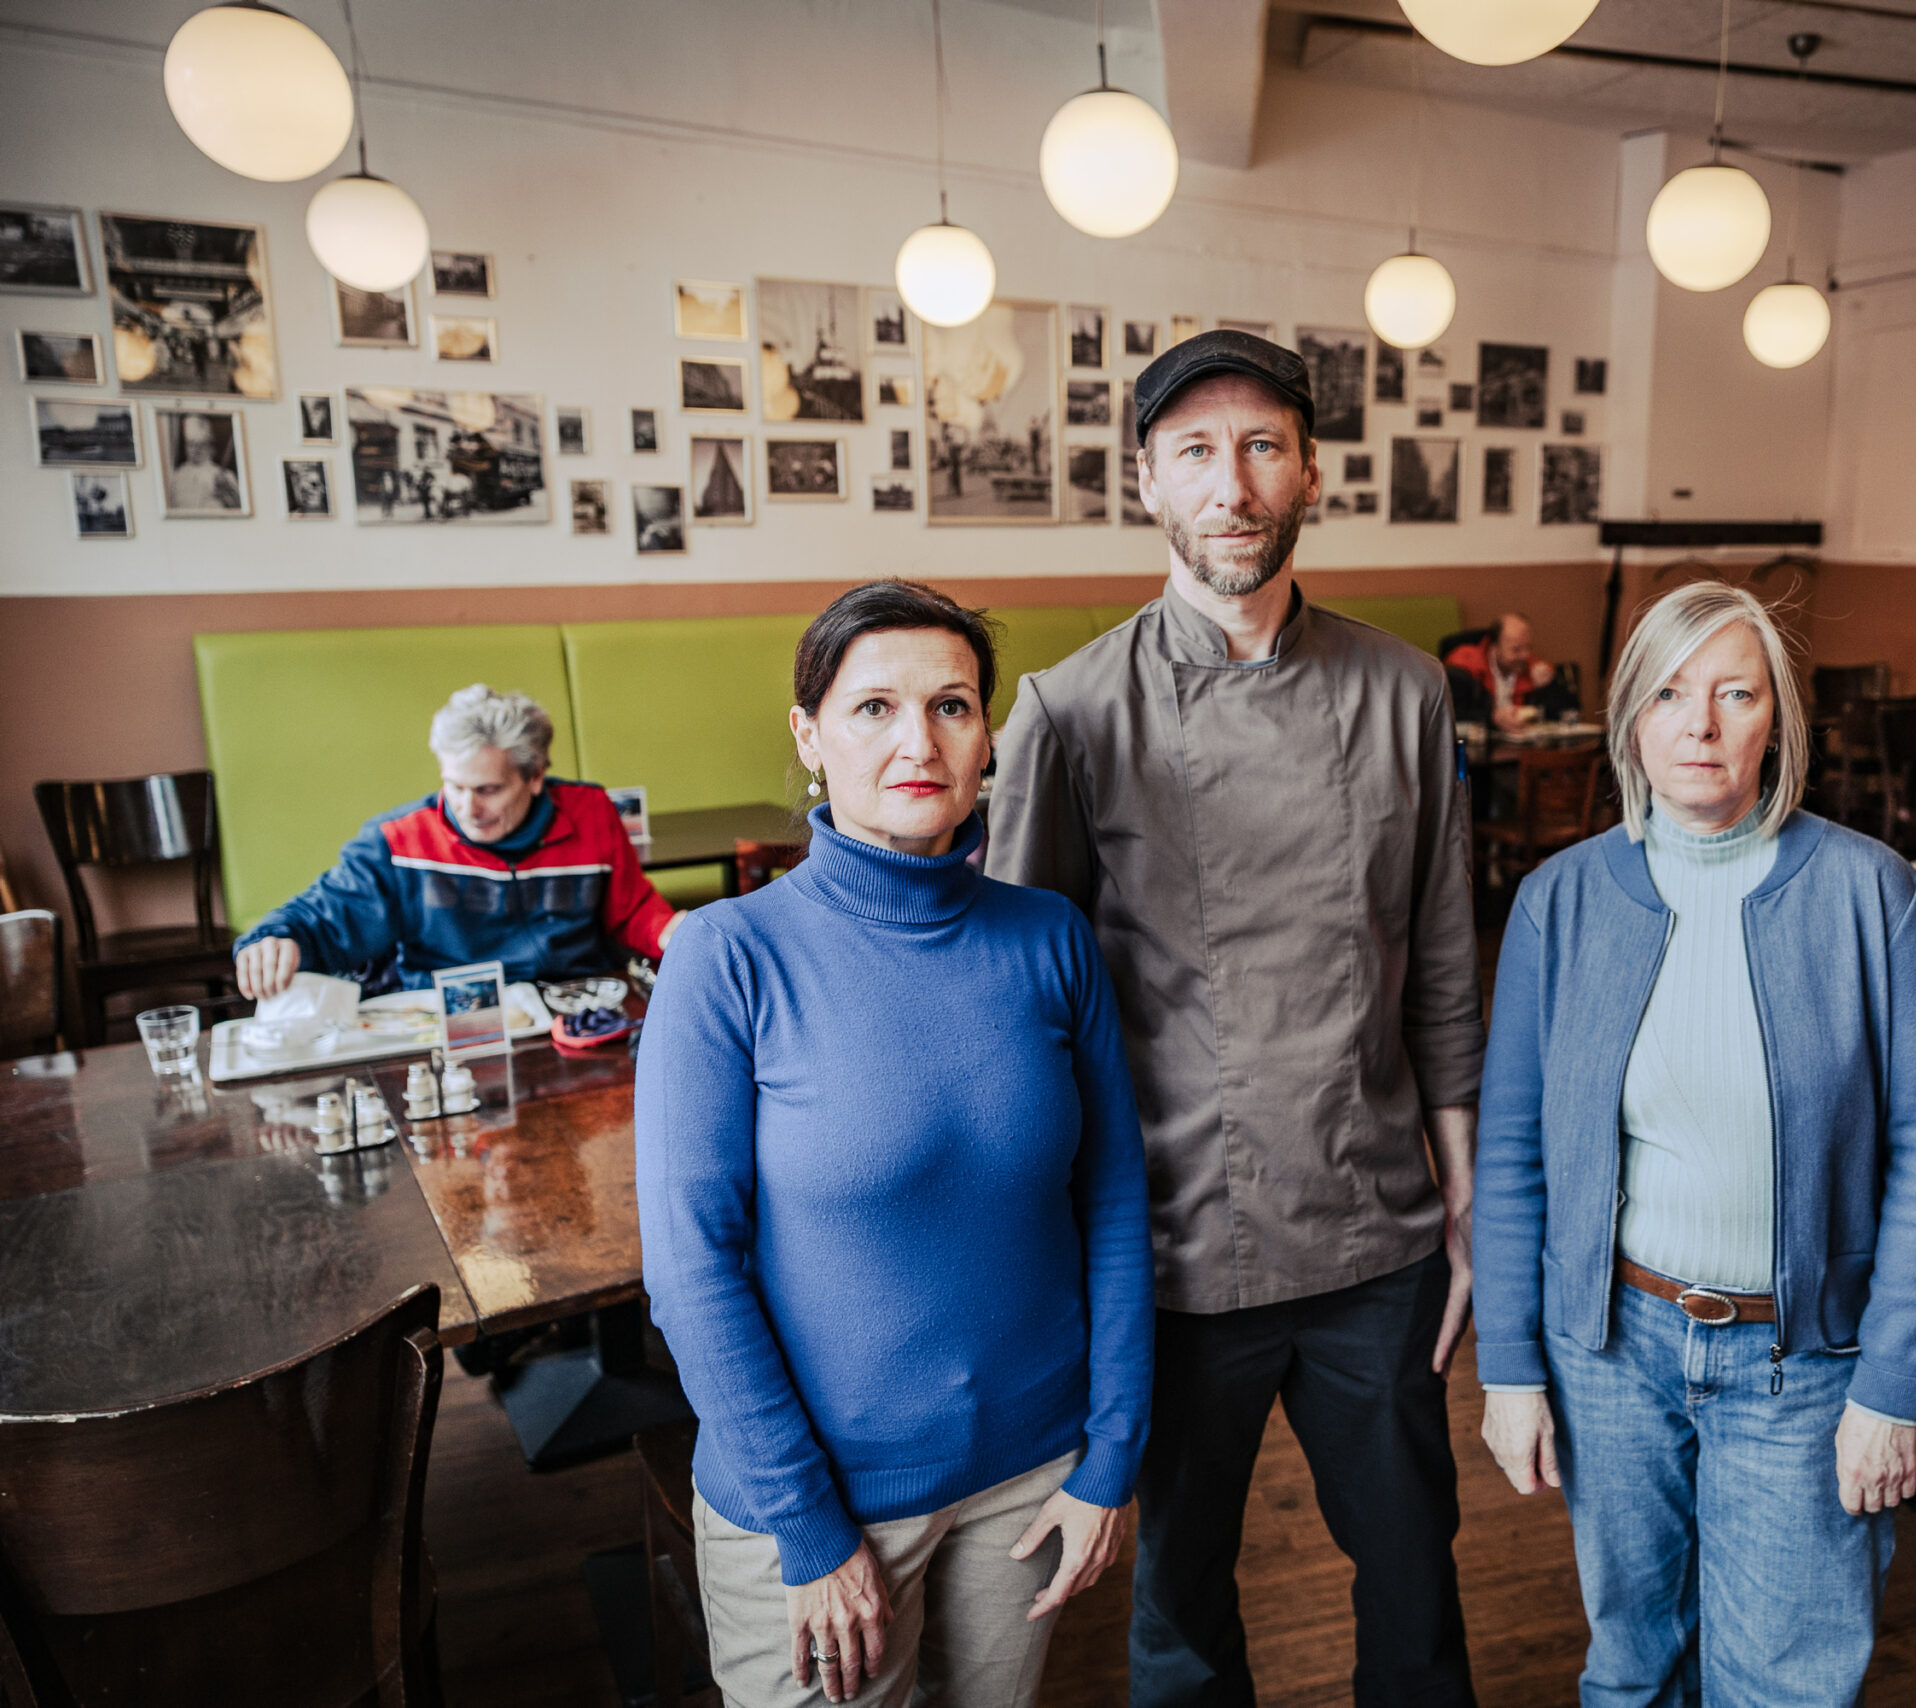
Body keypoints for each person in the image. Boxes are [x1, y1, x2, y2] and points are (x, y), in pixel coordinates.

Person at [987, 330, 1486, 1706]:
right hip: (1170, 1247)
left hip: (1375, 1228)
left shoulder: (1405, 691)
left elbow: (1441, 959)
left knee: (1413, 1569)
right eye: (1196, 452)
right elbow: (1024, 1006)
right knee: (1182, 1594)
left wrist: (1465, 1202)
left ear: (1310, 471)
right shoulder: (1070, 712)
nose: (1233, 484)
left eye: (1262, 445)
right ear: (1147, 482)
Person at [637, 582, 1155, 1706]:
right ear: (809, 735)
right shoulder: (727, 957)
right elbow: (690, 1268)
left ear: (987, 740)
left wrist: (1110, 1454)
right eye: (873, 707)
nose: (917, 741)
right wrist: (810, 1528)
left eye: (953, 706)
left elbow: (1112, 1201)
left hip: (1033, 1480)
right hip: (820, 1501)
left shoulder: (1050, 937)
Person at [1472, 580, 1916, 1706]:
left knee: (1782, 1684)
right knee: (1631, 1667)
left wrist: (1891, 1387)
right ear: (1630, 721)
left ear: (1776, 721)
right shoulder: (1560, 901)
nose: (1698, 723)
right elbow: (1511, 1156)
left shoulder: (1867, 893)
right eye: (1668, 692)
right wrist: (1509, 1365)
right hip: (1611, 1351)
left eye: (1733, 692)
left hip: (1801, 1363)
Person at [233, 685, 684, 997]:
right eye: (454, 786)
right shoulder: (398, 841)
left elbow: (632, 910)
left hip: (573, 1010)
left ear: (535, 776)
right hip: (448, 1021)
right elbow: (323, 919)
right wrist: (276, 938)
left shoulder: (590, 812)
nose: (468, 808)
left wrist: (669, 931)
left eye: (488, 790)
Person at [1445, 613, 1573, 732]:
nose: (1525, 655)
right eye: (1516, 650)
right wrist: (1492, 718)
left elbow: (1569, 712)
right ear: (1494, 648)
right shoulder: (1463, 667)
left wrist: (1548, 687)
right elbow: (1452, 716)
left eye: (1528, 647)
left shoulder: (1532, 667)